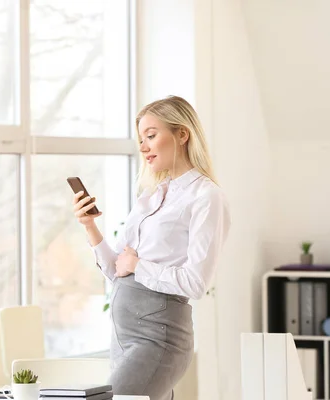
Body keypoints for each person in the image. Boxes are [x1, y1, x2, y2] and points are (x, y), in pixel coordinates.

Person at [71, 95, 230, 400]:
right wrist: (89, 226)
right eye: (141, 138)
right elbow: (116, 269)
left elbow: (196, 283)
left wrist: (137, 265)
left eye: (151, 136)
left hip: (159, 339)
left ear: (182, 134)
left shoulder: (207, 197)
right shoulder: (152, 196)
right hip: (124, 338)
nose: (143, 147)